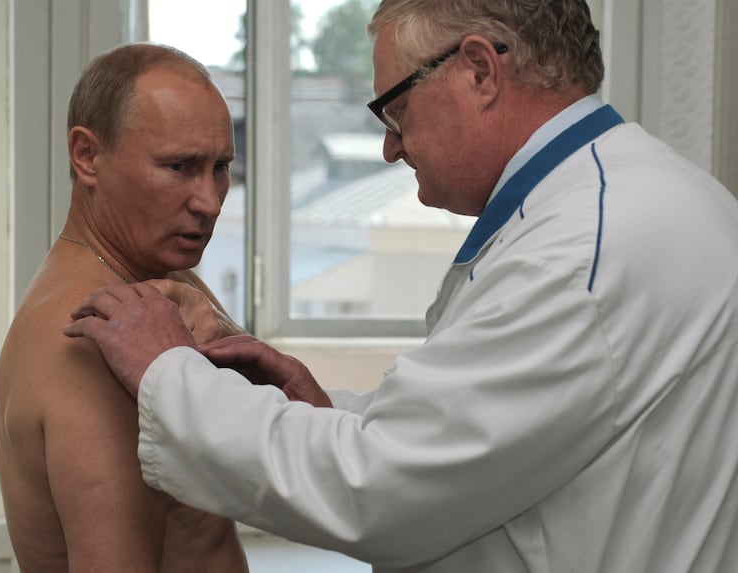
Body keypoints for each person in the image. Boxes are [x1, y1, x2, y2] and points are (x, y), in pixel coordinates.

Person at [63, 1, 738, 572]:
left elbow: (380, 488)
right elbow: (489, 437)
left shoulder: (583, 249)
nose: (391, 146)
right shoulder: (633, 201)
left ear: (479, 70)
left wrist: (166, 371)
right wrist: (326, 410)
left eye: (395, 107)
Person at [0, 43, 249, 572]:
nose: (210, 200)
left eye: (220, 167)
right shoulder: (94, 328)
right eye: (179, 166)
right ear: (88, 156)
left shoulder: (165, 278)